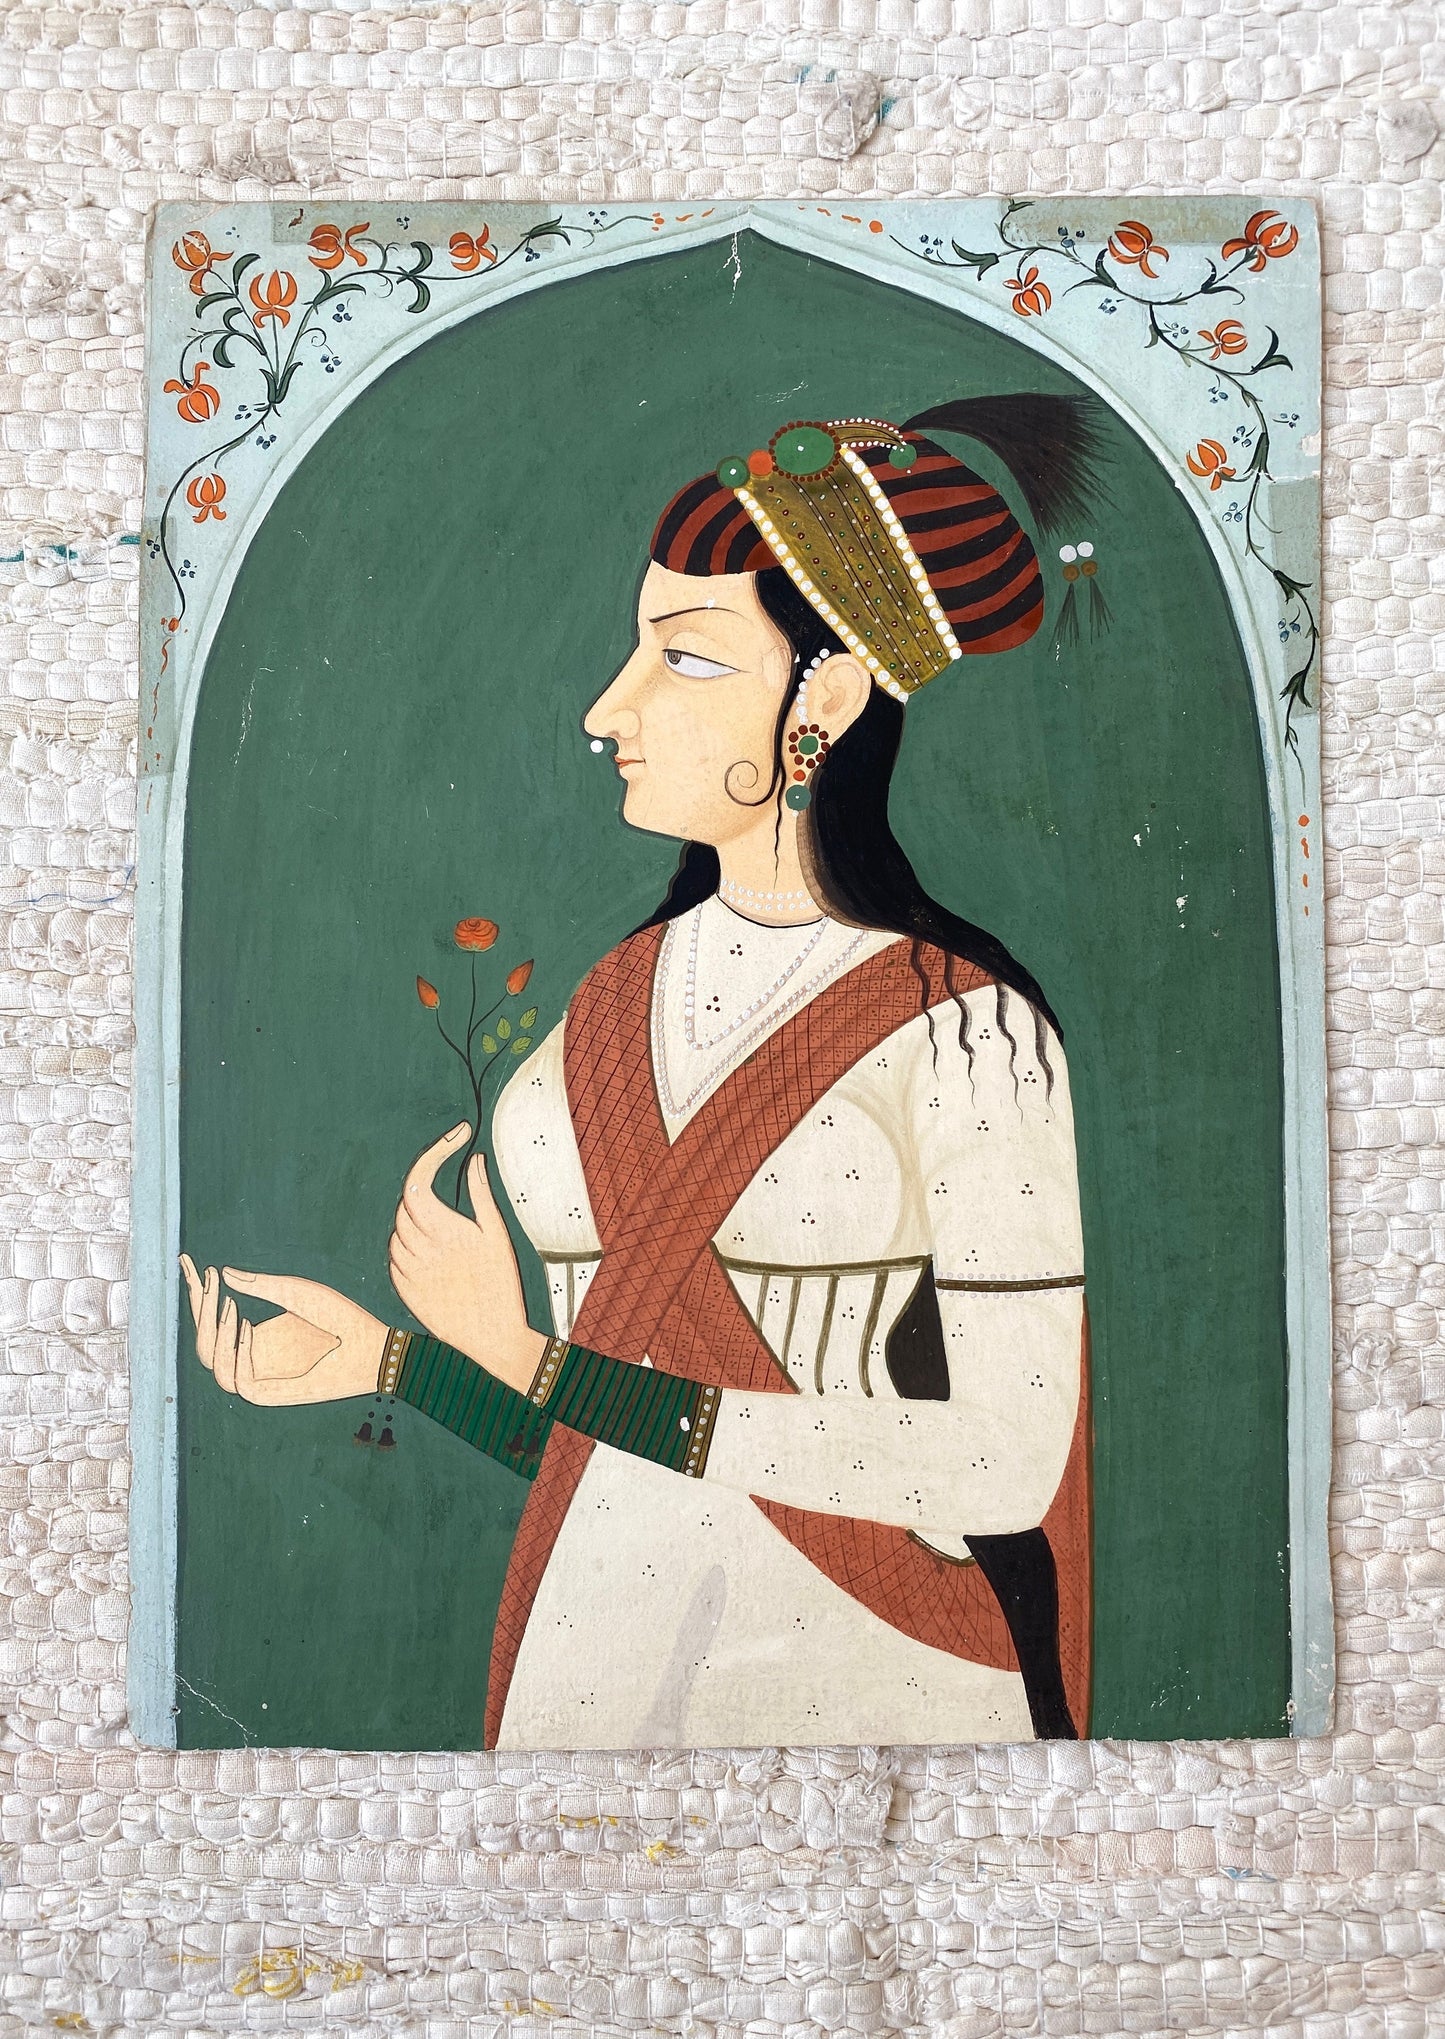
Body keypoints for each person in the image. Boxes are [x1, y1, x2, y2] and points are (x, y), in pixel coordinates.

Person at [183, 400, 1098, 1749]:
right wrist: (393, 1365)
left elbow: (999, 1464)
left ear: (825, 698)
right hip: (592, 1650)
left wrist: (530, 1363)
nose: (610, 708)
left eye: (684, 656)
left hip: (870, 1678)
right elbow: (619, 1456)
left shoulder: (966, 1035)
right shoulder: (607, 1008)